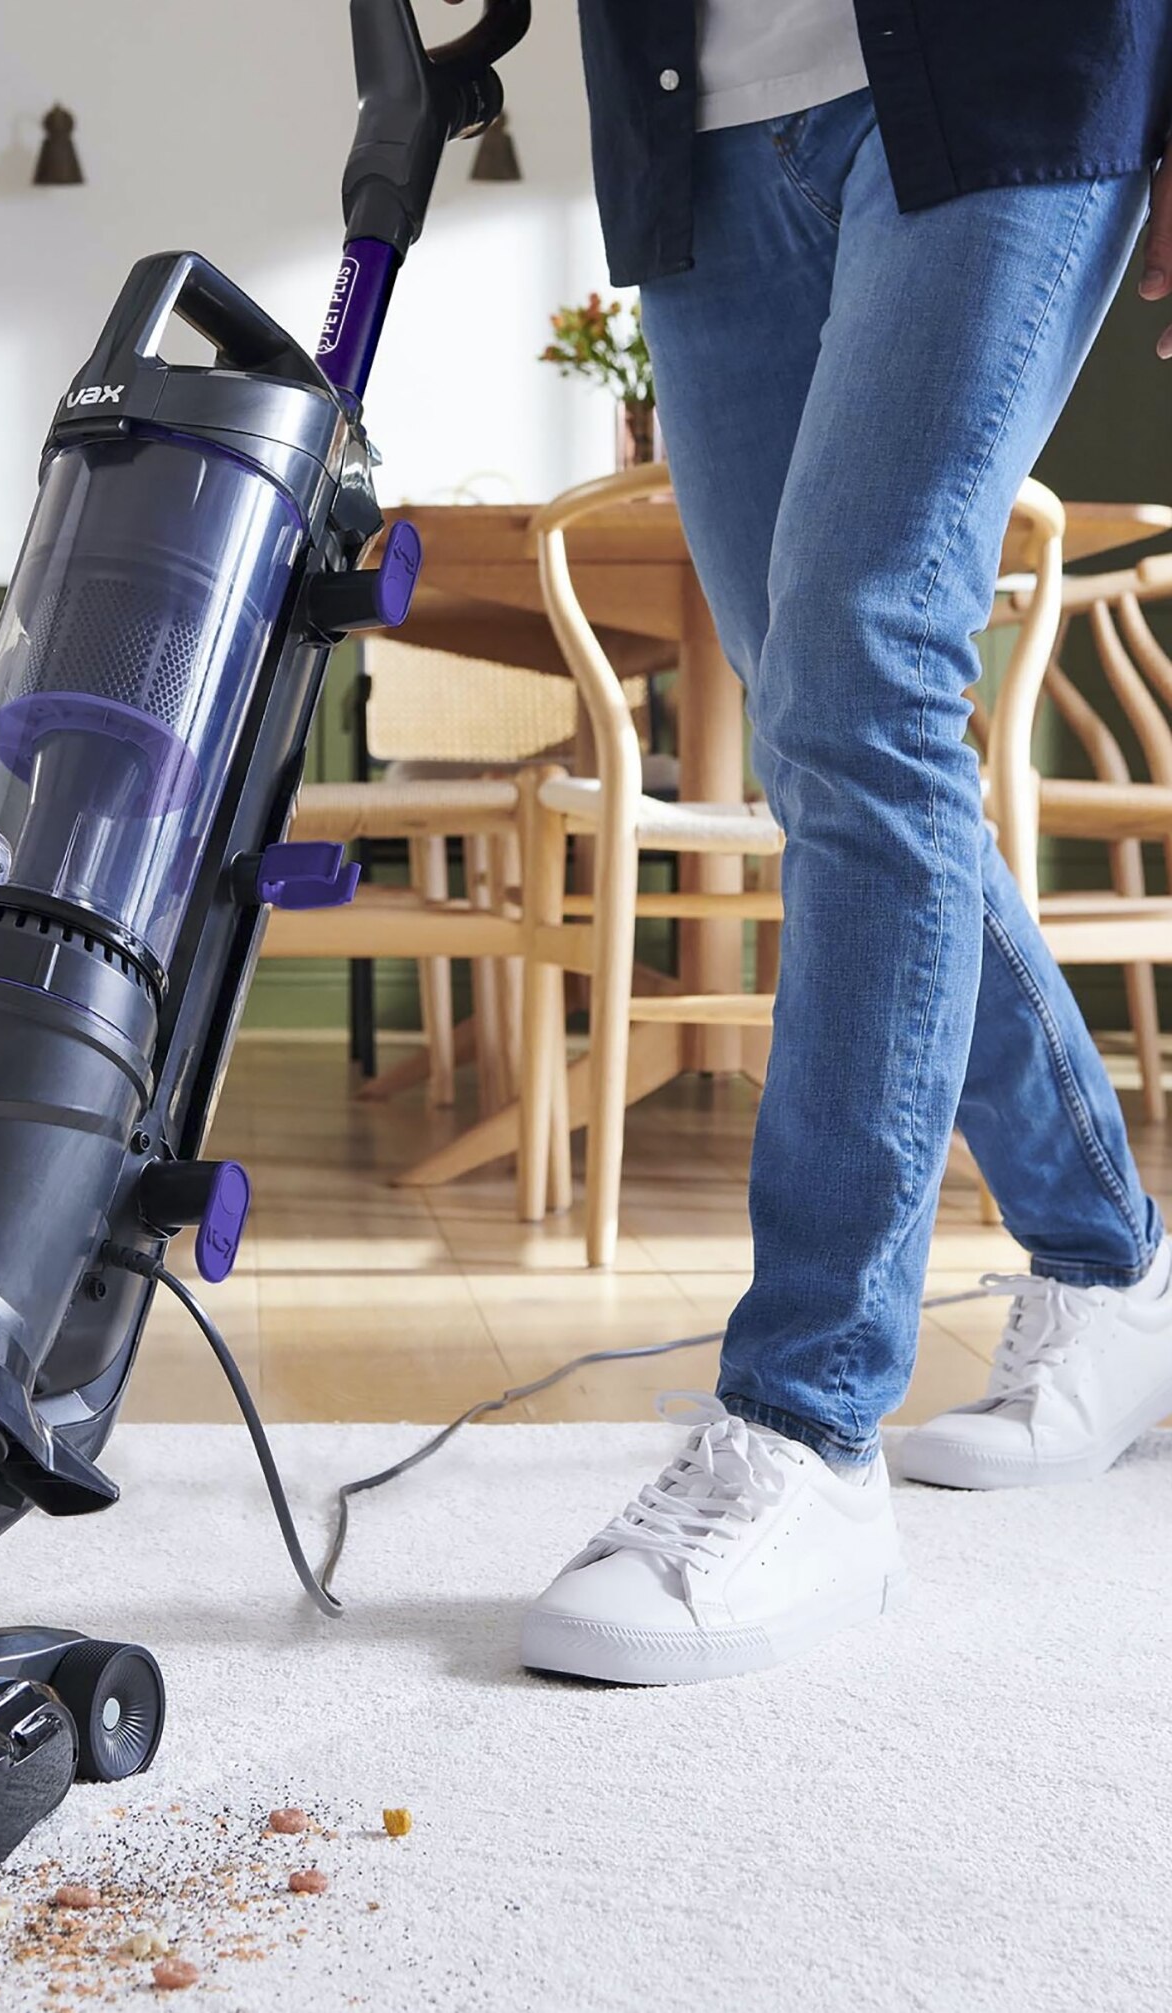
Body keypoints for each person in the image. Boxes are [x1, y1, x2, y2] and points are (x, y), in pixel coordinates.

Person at [498, 0, 1172, 1684]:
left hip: (1009, 67)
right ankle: (1115, 1266)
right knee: (829, 732)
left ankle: (808, 1424)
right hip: (695, 124)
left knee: (865, 675)